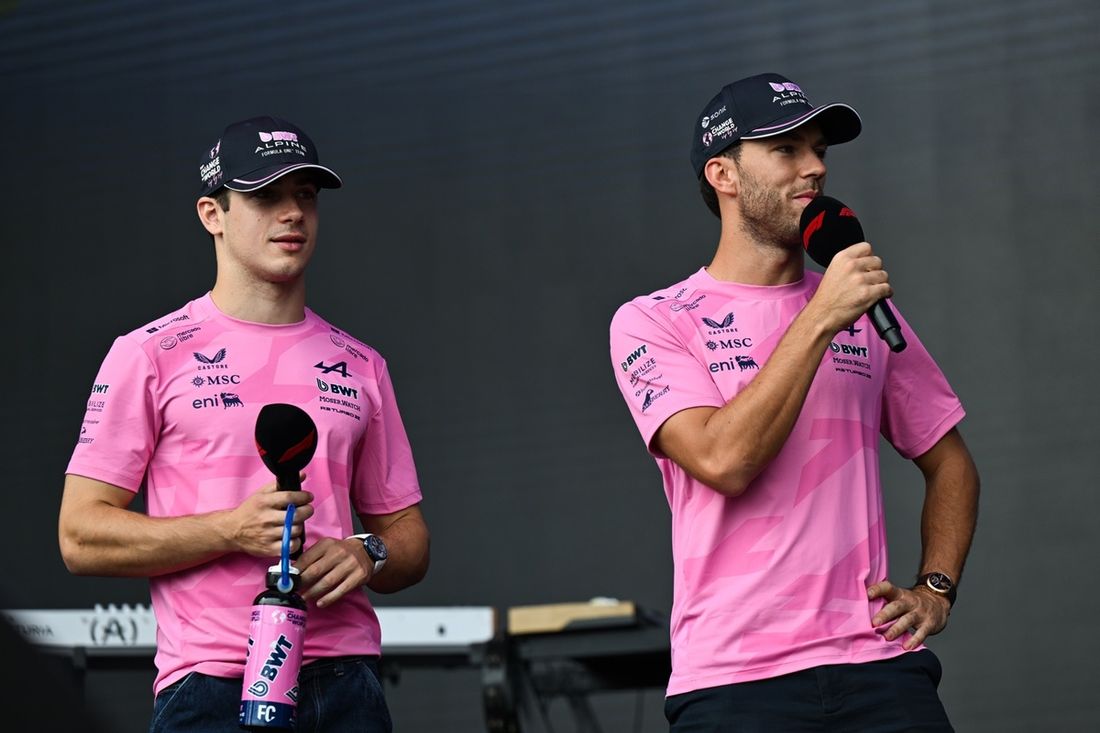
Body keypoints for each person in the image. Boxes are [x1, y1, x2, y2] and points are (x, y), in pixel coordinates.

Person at [609, 73, 979, 731]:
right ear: (722, 173)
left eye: (819, 150)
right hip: (735, 683)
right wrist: (817, 318)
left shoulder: (860, 306)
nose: (814, 168)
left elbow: (951, 462)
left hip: (880, 670)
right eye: (785, 149)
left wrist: (935, 588)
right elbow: (724, 459)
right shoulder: (654, 321)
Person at [58, 116, 430, 733]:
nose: (292, 214)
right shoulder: (148, 353)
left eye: (305, 196)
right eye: (265, 196)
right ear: (213, 213)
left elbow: (410, 539)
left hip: (347, 683)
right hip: (209, 685)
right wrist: (228, 531)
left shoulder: (363, 364)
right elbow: (80, 537)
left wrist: (368, 552)